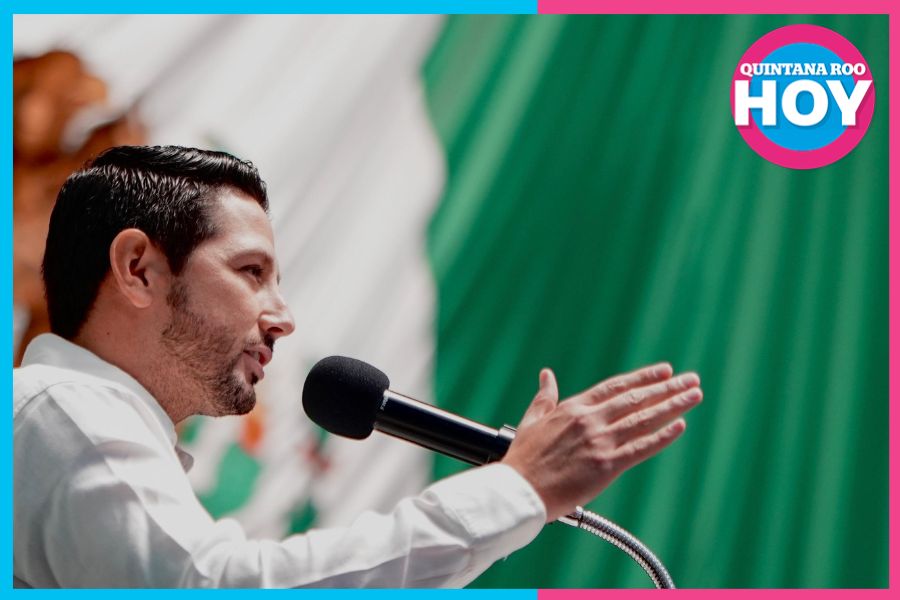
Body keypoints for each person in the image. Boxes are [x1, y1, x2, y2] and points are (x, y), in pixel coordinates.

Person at [13, 145, 703, 588]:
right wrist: (517, 489)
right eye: (250, 272)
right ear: (139, 268)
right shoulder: (64, 408)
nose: (282, 317)